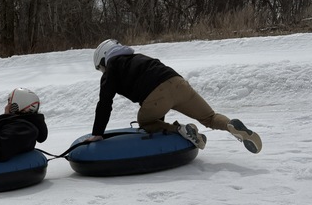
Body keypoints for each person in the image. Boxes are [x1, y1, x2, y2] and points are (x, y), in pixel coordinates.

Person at [88, 39, 262, 153]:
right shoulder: (139, 58)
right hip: (178, 83)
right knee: (210, 117)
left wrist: (97, 133)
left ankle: (180, 130)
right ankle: (230, 125)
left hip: (156, 95)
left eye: (100, 68)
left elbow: (105, 103)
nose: (102, 71)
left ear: (104, 58)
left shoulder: (112, 69)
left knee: (145, 121)